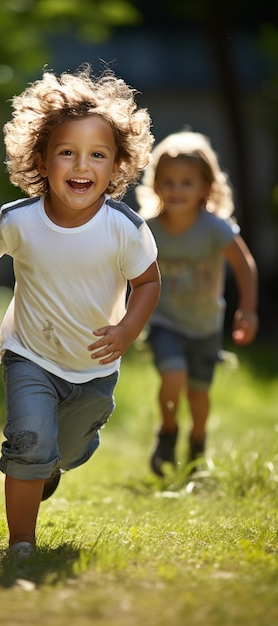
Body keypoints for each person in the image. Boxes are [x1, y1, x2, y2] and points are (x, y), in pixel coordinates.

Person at [0, 65, 161, 559]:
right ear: (41, 159)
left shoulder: (124, 228)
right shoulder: (19, 221)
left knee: (62, 446)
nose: (81, 166)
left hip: (95, 367)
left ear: (117, 165)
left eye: (97, 155)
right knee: (28, 440)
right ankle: (21, 542)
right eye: (67, 152)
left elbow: (148, 282)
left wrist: (127, 329)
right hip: (29, 355)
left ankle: (56, 462)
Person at [135, 130, 258, 476]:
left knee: (199, 394)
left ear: (206, 187)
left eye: (186, 183)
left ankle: (198, 444)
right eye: (168, 182)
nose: (176, 190)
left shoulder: (214, 229)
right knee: (173, 376)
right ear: (155, 184)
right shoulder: (148, 230)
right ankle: (168, 431)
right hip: (164, 322)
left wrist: (246, 309)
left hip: (204, 325)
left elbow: (244, 265)